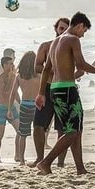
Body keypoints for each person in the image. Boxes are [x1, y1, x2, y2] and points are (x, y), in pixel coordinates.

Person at [35, 12, 95, 175]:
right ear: (79, 26)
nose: (83, 35)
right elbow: (82, 65)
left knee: (74, 129)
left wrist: (41, 93)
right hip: (67, 89)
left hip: (55, 89)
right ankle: (46, 162)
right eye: (84, 31)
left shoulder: (55, 41)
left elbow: (47, 68)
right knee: (73, 131)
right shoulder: (72, 39)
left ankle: (80, 168)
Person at [30, 17, 69, 168]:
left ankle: (60, 162)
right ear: (56, 29)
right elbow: (37, 66)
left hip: (64, 89)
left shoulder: (71, 48)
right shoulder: (46, 46)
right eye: (61, 28)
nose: (63, 31)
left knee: (63, 128)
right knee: (38, 125)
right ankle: (40, 158)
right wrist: (51, 71)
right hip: (47, 88)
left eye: (66, 29)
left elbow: (78, 67)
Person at [10, 51, 40, 165]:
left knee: (23, 134)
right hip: (37, 106)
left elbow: (13, 93)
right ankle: (39, 157)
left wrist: (9, 109)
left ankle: (22, 160)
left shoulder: (19, 76)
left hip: (25, 105)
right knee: (38, 132)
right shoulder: (39, 76)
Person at [0, 56, 20, 163]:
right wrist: (10, 78)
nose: (11, 66)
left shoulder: (14, 77)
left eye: (12, 63)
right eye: (9, 64)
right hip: (1, 108)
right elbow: (3, 93)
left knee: (20, 130)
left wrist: (21, 103)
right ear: (4, 65)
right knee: (0, 133)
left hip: (11, 107)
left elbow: (15, 93)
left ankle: (17, 154)